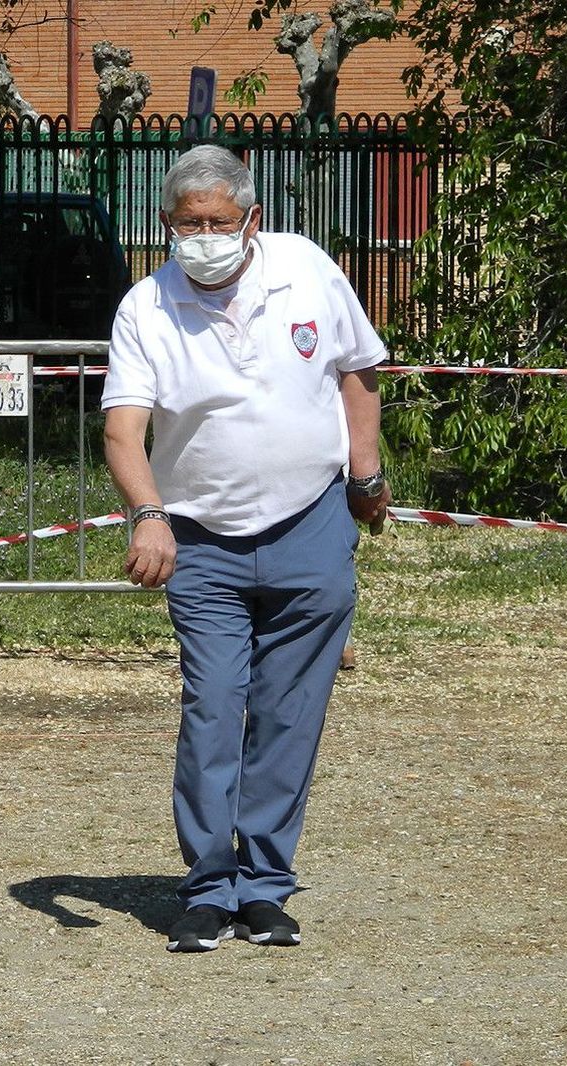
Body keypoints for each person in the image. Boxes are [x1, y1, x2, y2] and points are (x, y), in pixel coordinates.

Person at [101, 145, 391, 952]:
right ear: (165, 226)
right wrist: (149, 514)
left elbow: (358, 371)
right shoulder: (145, 308)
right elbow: (123, 429)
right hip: (201, 541)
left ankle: (265, 884)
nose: (204, 237)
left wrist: (365, 478)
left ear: (251, 220)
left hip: (310, 524)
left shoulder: (306, 269)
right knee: (215, 708)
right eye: (188, 224)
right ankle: (205, 886)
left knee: (289, 714)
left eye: (218, 222)